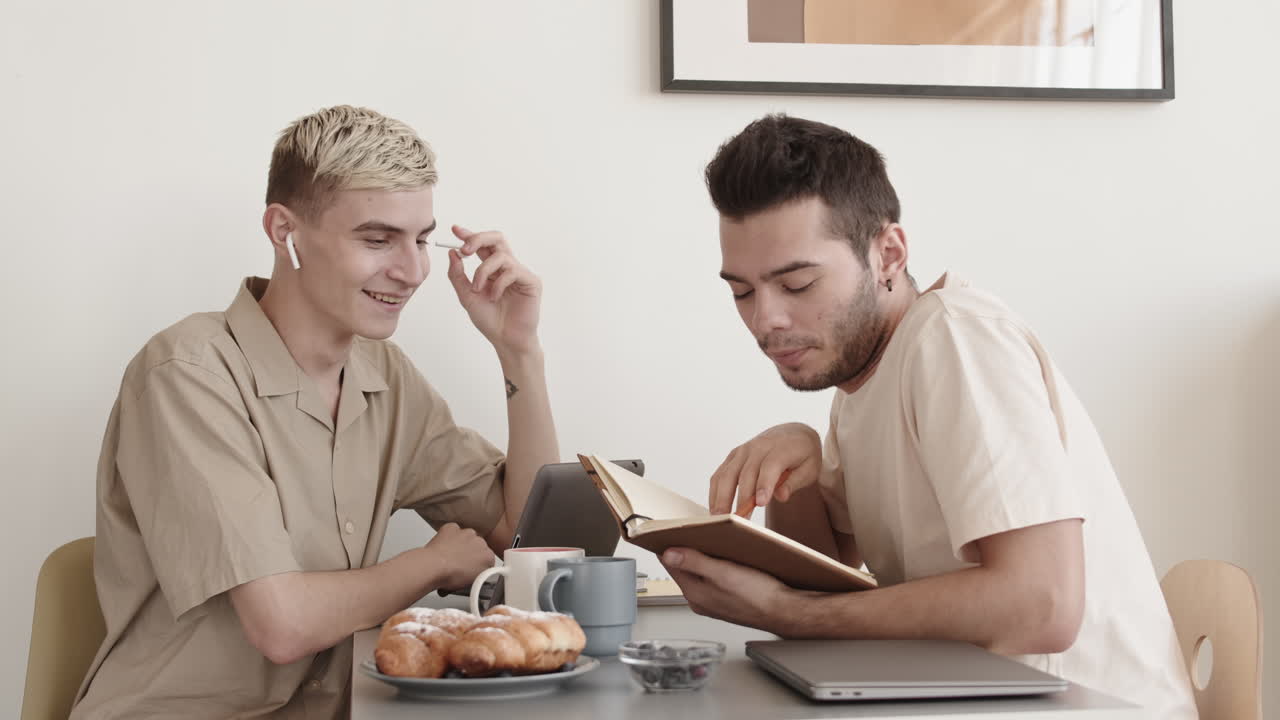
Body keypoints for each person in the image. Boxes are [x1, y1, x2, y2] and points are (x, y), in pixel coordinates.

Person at [660, 114, 1197, 718]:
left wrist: (789, 615)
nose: (766, 320)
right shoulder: (864, 374)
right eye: (742, 292)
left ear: (887, 253)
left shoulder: (954, 339)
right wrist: (798, 452)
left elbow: (1042, 606)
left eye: (799, 283)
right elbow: (820, 574)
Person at [71, 105, 559, 719]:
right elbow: (283, 626)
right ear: (284, 230)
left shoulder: (386, 378)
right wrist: (432, 564)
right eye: (377, 239)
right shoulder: (187, 374)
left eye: (421, 239)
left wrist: (519, 354)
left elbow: (538, 544)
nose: (412, 271)